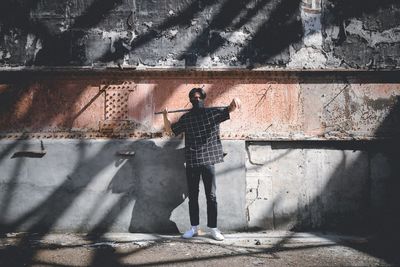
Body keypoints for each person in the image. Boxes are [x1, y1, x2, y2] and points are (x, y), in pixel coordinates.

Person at [163, 88, 241, 241]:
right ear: (191, 100)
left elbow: (230, 109)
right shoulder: (186, 118)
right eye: (193, 98)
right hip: (192, 160)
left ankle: (213, 228)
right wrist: (166, 116)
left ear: (203, 99)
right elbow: (170, 131)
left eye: (199, 97)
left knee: (211, 196)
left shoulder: (212, 113)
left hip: (208, 160)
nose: (196, 100)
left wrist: (235, 101)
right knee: (193, 197)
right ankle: (194, 228)